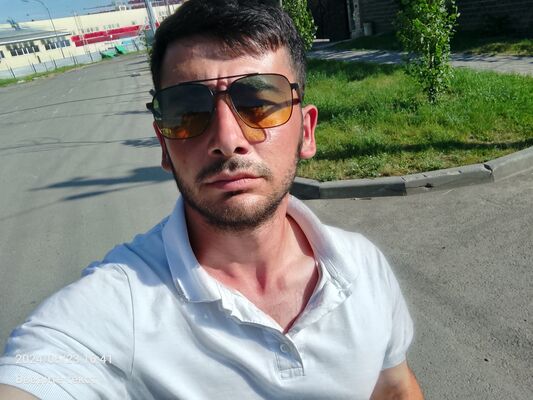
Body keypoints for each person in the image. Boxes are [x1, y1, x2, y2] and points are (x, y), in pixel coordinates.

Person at [0, 0, 423, 398]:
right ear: (164, 147)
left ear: (306, 132)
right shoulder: (117, 307)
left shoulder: (363, 266)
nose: (227, 138)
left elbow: (395, 388)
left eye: (258, 102)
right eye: (187, 110)